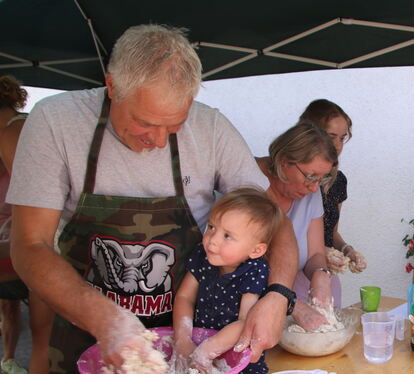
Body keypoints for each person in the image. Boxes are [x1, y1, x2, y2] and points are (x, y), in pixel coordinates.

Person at [7, 25, 298, 372]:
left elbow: (272, 220)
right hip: (87, 326)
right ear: (112, 86)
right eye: (145, 123)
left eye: (173, 125)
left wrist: (279, 294)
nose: (159, 142)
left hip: (187, 335)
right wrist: (106, 320)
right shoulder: (56, 123)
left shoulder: (212, 130)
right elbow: (29, 244)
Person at [173, 188, 283, 374]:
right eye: (211, 227)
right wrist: (183, 339)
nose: (212, 240)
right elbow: (185, 297)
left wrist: (207, 350)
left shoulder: (254, 271)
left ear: (256, 250)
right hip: (196, 346)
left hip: (238, 361)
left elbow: (246, 320)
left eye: (227, 236)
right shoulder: (202, 255)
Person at [256, 121, 339, 331]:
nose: (313, 188)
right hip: (243, 313)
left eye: (322, 178)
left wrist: (321, 275)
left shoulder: (310, 193)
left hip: (286, 305)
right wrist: (292, 304)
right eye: (310, 176)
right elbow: (237, 269)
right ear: (284, 161)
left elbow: (314, 253)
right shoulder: (248, 183)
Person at [0, 76, 54, 374]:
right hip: (41, 240)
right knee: (43, 337)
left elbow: (31, 205)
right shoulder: (17, 127)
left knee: (43, 338)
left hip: (43, 243)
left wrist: (12, 228)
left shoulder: (13, 132)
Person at [299, 99, 367, 274]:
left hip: (325, 272)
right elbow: (280, 236)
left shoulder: (338, 181)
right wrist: (320, 252)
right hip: (292, 273)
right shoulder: (294, 177)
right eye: (331, 136)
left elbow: (332, 233)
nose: (337, 145)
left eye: (342, 138)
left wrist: (347, 250)